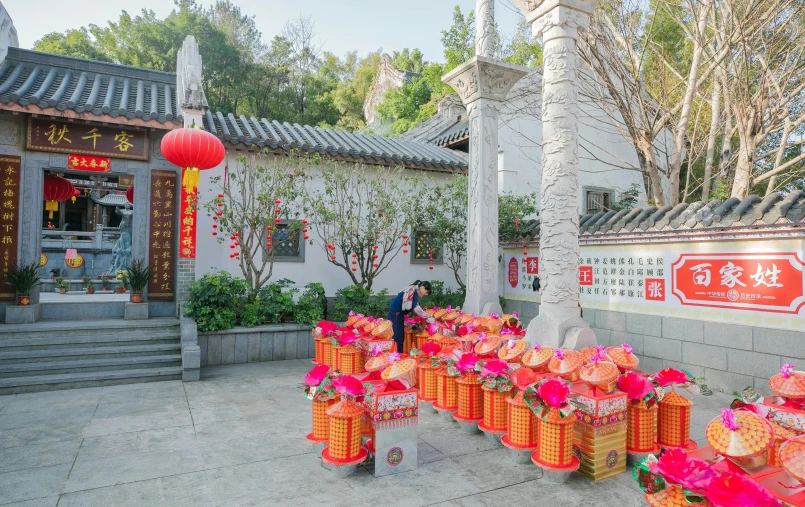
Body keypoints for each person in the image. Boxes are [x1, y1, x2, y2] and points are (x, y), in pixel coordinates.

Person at [388, 280, 433, 353]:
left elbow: (414, 306)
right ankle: (396, 356)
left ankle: (398, 354)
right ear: (422, 288)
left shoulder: (413, 290)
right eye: (426, 292)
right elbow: (416, 308)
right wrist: (427, 317)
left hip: (398, 314)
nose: (425, 294)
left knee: (400, 336)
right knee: (397, 337)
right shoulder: (414, 291)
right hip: (396, 314)